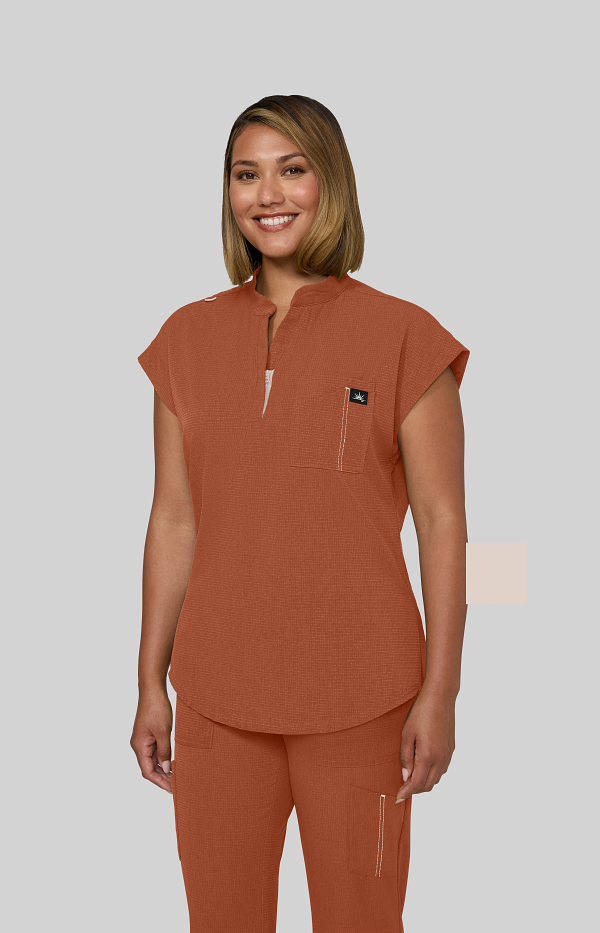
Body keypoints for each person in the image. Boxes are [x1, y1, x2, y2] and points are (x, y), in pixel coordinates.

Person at [130, 94, 470, 933]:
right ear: (228, 193)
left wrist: (441, 690)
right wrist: (148, 683)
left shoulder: (405, 335)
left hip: (364, 696)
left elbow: (444, 523)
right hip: (215, 696)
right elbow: (173, 519)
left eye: (292, 169)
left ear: (332, 184)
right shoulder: (185, 339)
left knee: (363, 921)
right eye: (246, 174)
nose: (268, 194)